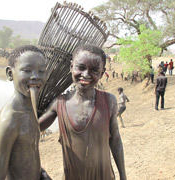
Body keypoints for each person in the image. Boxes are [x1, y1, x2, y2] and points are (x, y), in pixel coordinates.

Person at [39, 44, 127, 180]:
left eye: (94, 70)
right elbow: (30, 132)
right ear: (71, 67)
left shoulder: (109, 101)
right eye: (81, 67)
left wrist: (123, 176)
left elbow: (115, 140)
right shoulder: (60, 103)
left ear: (102, 73)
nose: (86, 75)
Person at [0, 45, 51, 180]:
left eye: (41, 71)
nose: (35, 76)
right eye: (27, 70)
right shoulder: (10, 119)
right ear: (10, 74)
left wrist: (41, 174)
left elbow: (25, 156)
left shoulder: (30, 109)